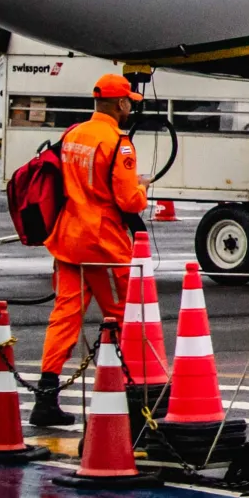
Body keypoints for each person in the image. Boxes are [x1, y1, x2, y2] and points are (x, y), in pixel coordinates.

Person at [33, 73, 151, 428]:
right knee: (124, 315)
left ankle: (46, 396)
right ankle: (130, 395)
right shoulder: (120, 144)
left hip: (68, 240)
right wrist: (143, 188)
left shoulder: (73, 134)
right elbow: (129, 202)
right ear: (119, 104)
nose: (131, 106)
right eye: (129, 101)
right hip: (103, 245)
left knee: (65, 317)